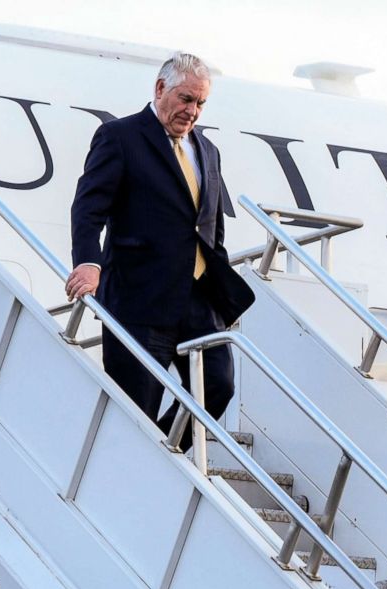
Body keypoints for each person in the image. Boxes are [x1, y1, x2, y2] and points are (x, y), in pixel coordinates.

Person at [66, 52, 254, 452]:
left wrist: (220, 292)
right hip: (139, 297)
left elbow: (209, 227)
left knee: (219, 384)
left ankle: (161, 452)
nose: (192, 111)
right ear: (160, 88)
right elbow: (88, 208)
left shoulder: (208, 151)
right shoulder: (120, 137)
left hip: (198, 299)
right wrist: (88, 262)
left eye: (201, 103)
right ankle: (139, 460)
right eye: (186, 99)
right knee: (138, 401)